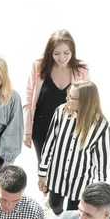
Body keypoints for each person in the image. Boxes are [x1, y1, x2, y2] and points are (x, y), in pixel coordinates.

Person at [38, 80, 110, 216]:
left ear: (85, 101)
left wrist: (100, 190)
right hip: (56, 175)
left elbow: (102, 159)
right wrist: (42, 173)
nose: (67, 99)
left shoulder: (101, 125)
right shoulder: (60, 112)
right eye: (68, 95)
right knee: (54, 206)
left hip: (80, 180)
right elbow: (49, 143)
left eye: (71, 97)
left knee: (74, 213)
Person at [23, 30, 89, 164]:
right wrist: (27, 131)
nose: (62, 58)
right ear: (50, 52)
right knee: (44, 171)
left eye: (66, 53)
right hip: (42, 128)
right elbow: (28, 100)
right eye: (56, 53)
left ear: (72, 51)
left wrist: (86, 131)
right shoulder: (39, 66)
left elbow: (88, 101)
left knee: (65, 169)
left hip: (71, 128)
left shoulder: (82, 70)